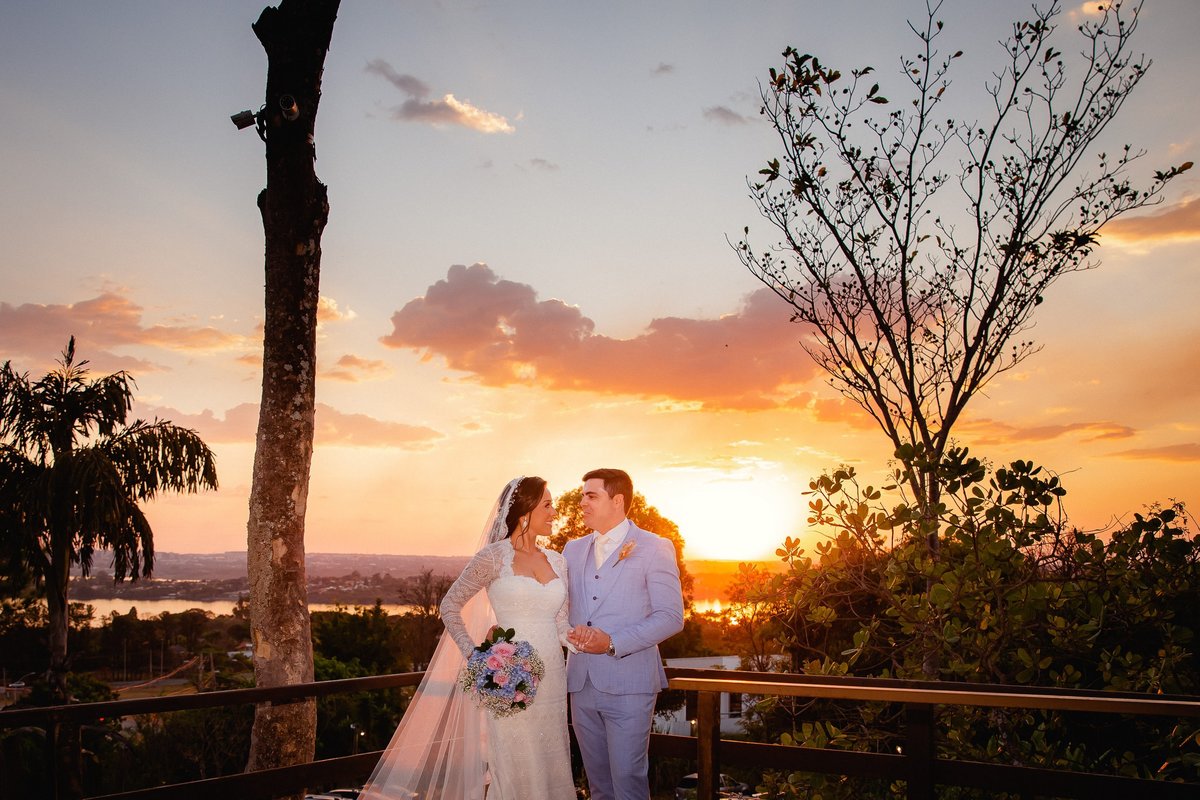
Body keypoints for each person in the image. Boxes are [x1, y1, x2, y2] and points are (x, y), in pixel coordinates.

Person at [360, 476, 576, 800]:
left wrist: (584, 638)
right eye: (547, 504)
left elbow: (561, 626)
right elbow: (450, 606)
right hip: (510, 681)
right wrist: (478, 656)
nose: (554, 511)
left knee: (552, 763)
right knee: (515, 767)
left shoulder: (558, 560)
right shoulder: (492, 558)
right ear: (526, 510)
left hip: (553, 682)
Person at [564, 468, 685, 800]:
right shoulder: (572, 550)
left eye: (591, 495)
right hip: (581, 684)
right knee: (598, 786)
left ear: (617, 501)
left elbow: (672, 617)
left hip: (630, 685)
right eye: (582, 495)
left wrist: (613, 642)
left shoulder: (655, 547)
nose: (582, 502)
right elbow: (558, 609)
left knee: (629, 782)